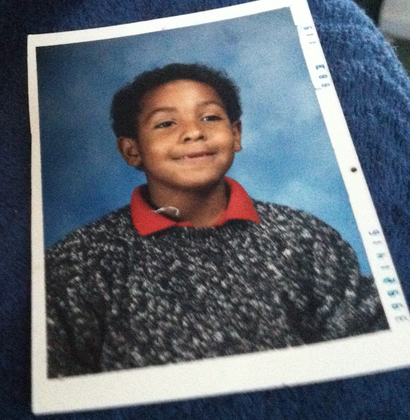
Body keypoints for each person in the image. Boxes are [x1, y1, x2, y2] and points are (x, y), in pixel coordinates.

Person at [46, 63, 388, 378]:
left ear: (236, 134)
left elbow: (370, 351)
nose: (194, 132)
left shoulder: (303, 238)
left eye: (209, 118)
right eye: (166, 123)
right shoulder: (82, 261)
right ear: (131, 150)